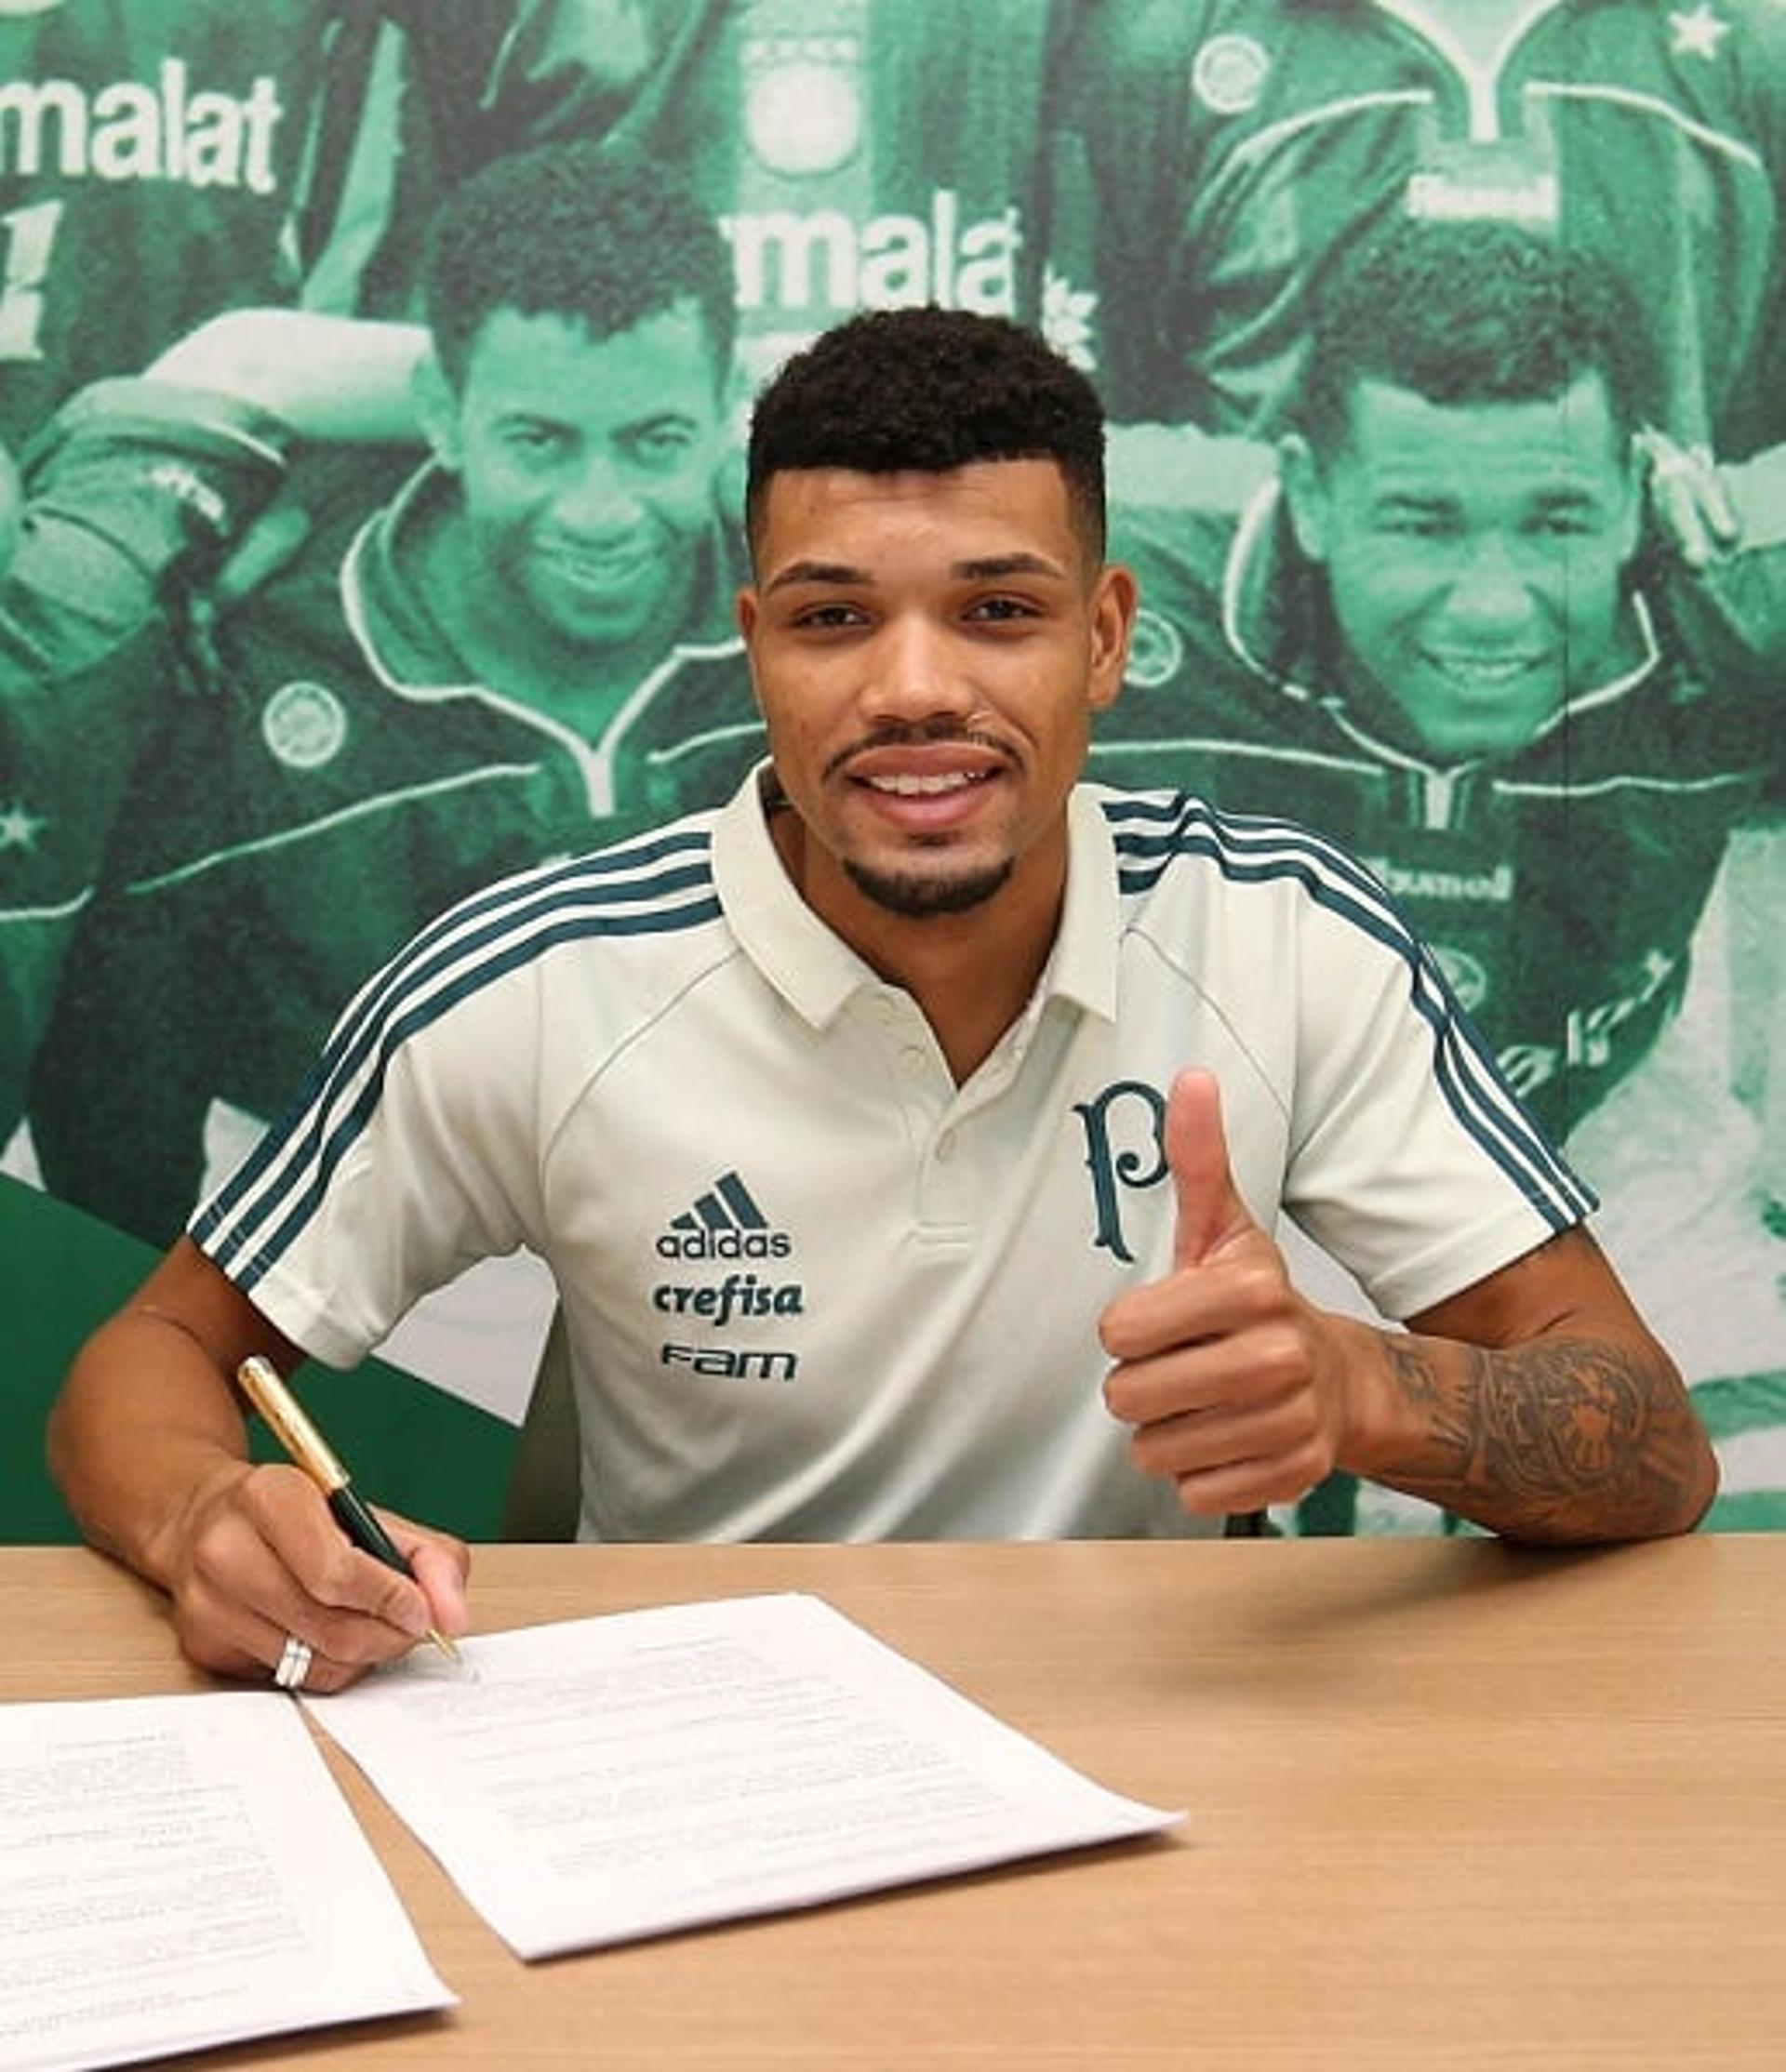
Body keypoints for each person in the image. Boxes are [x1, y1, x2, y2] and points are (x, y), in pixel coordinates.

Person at [47, 305, 1717, 1692]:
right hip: (684, 1778)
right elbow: (154, 1355)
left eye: (1000, 611)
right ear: (753, 642)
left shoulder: (1285, 935)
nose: (917, 688)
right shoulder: (544, 978)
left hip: (1162, 1759)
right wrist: (212, 1519)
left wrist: (1367, 1390)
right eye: (838, 619)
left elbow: (1651, 1439)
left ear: (1111, 637)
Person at [20, 140, 765, 1245]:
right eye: (539, 441)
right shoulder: (244, 653)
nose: (600, 509)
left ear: (729, 406)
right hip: (379, 1283)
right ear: (440, 411)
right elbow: (119, 1108)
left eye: (653, 441)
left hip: (759, 1260)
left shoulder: (859, 621)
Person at [1092, 216, 1781, 1146]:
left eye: (1558, 522)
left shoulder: (1726, 595)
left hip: (1597, 1143)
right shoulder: (1106, 574)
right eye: (1423, 525)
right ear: (1310, 497)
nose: (1493, 604)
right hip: (1179, 1148)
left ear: (1634, 492)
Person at [1046, 0, 1786, 477]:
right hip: (1275, 686)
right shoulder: (1163, 42)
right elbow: (1105, 441)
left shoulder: (1754, 43)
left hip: (1668, 677)